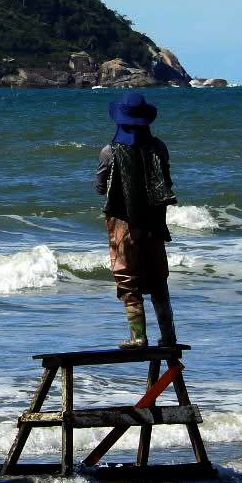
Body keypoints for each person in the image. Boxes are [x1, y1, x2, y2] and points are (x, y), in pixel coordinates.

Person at [94, 91, 179, 348]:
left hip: (123, 221)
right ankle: (168, 335)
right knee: (158, 278)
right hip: (154, 221)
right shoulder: (159, 147)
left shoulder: (109, 151)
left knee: (127, 276)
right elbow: (167, 181)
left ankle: (138, 336)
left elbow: (100, 187)